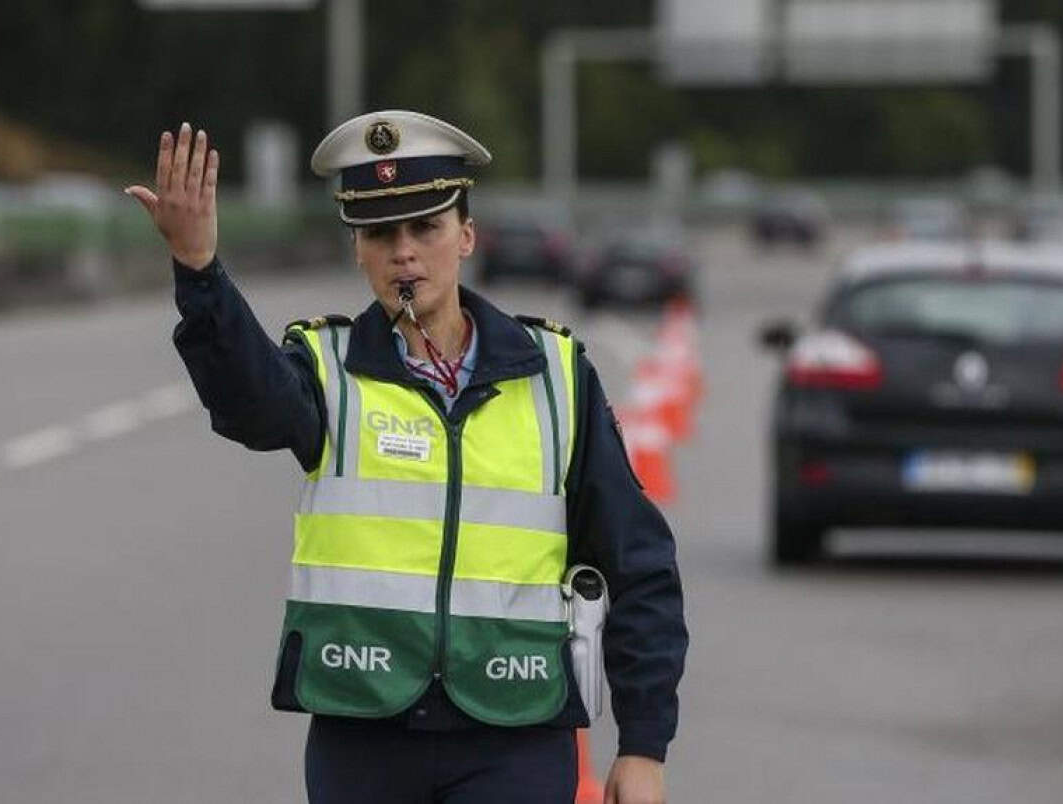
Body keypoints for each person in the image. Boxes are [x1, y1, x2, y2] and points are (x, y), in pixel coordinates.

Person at [125, 111, 687, 804]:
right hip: (363, 732)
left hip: (515, 734)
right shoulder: (325, 369)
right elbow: (249, 404)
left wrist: (644, 746)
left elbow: (638, 563)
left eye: (427, 227)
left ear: (467, 237)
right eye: (381, 233)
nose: (405, 252)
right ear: (357, 250)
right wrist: (199, 269)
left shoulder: (557, 376)